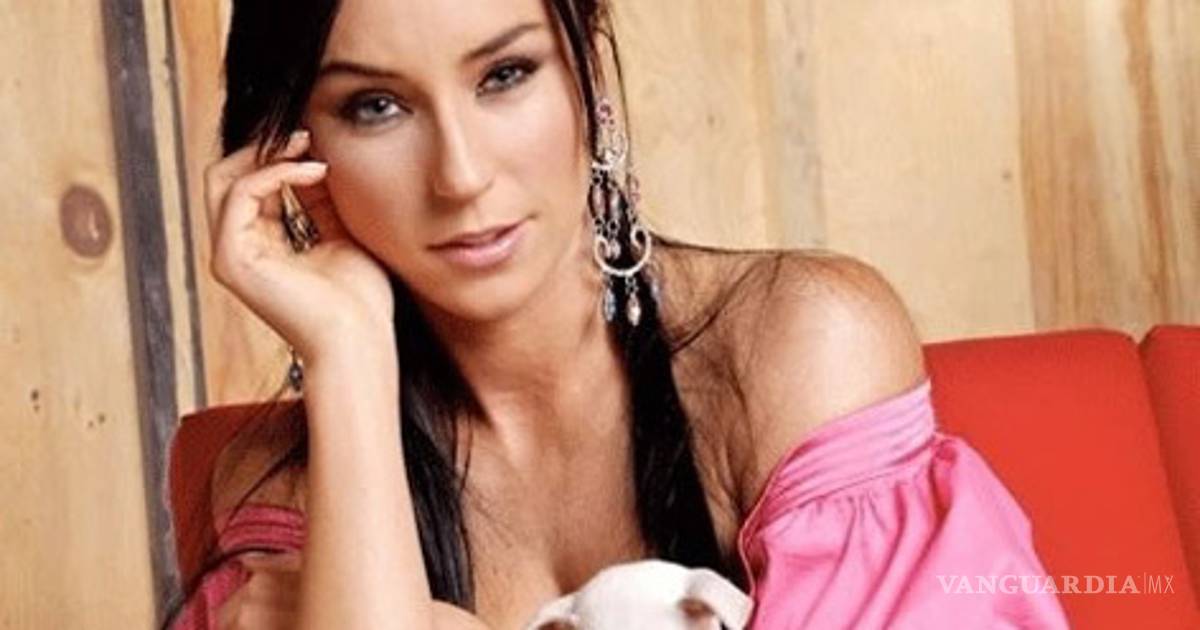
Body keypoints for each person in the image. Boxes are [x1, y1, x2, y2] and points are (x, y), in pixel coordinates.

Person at [162, 0, 1072, 628]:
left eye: (505, 74)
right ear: (290, 151)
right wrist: (350, 355)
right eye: (376, 106)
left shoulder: (800, 348)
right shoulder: (295, 489)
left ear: (587, 69)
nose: (462, 175)